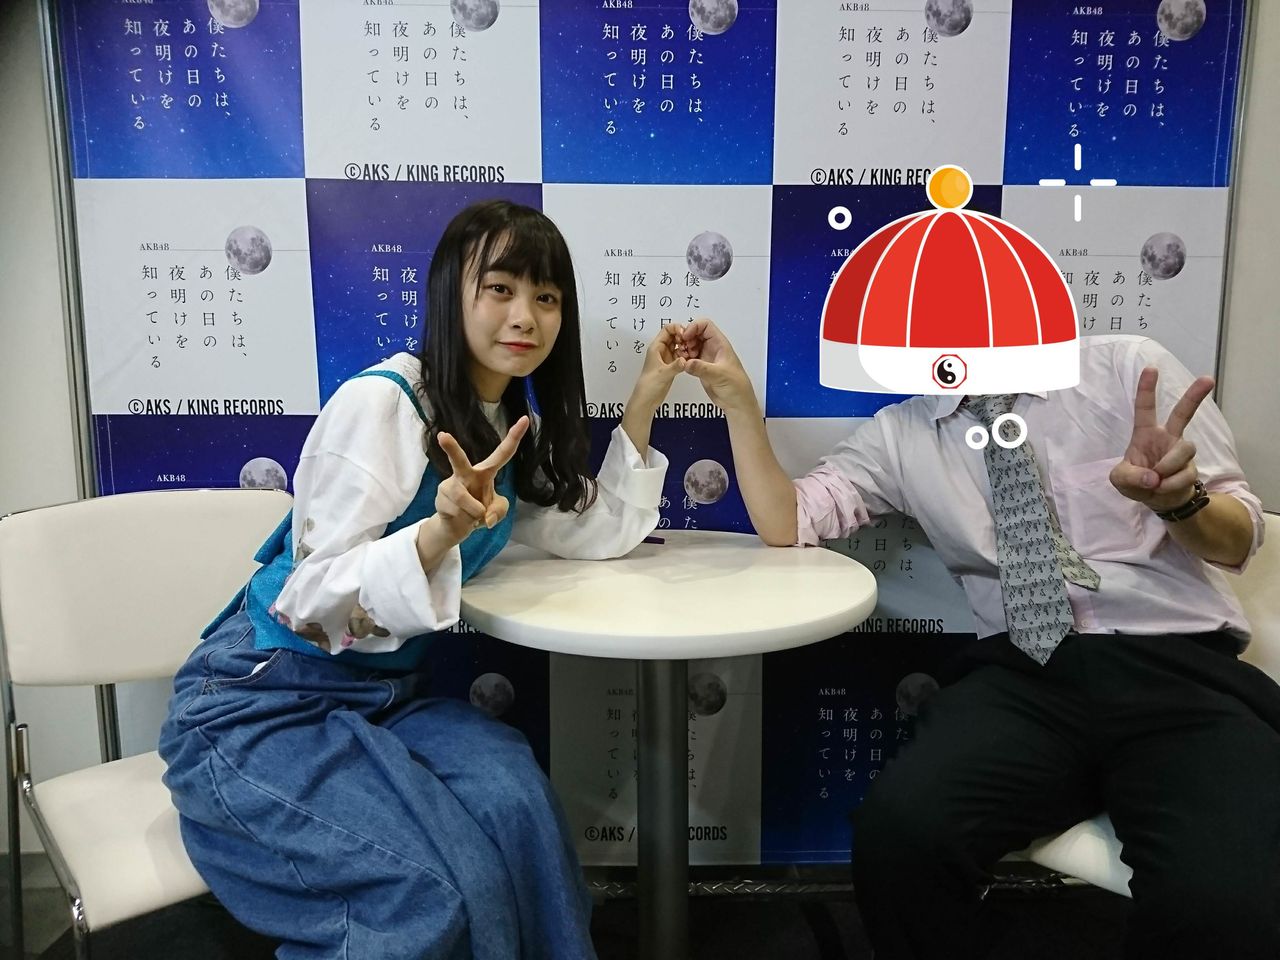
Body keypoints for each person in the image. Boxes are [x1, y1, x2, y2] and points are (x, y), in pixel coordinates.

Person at [160, 199, 685, 960]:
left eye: (545, 297)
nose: (525, 316)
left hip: (380, 700)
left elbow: (589, 532)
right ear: (449, 293)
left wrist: (647, 395)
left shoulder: (503, 425)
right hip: (257, 703)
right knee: (424, 895)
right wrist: (437, 532)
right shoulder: (383, 404)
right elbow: (308, 600)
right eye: (500, 288)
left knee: (515, 804)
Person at [677, 319, 1276, 959]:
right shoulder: (904, 432)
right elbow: (789, 519)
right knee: (900, 835)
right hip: (1026, 677)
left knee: (1224, 904)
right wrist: (739, 402)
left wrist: (1179, 502)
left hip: (1176, 666)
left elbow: (1239, 540)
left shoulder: (1127, 369)